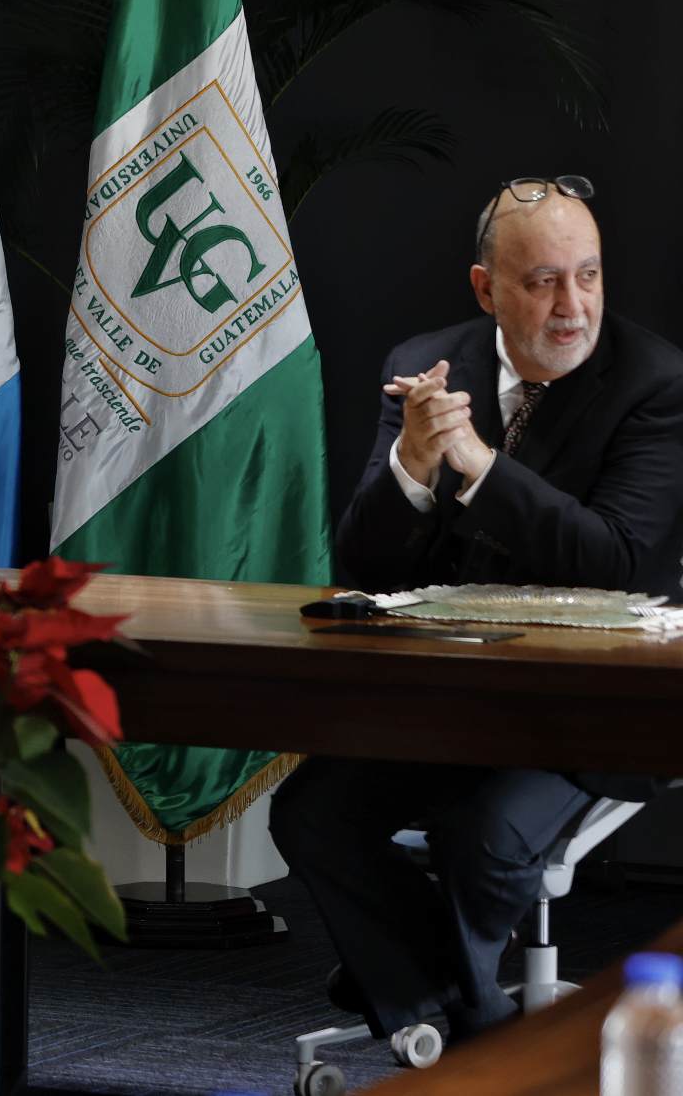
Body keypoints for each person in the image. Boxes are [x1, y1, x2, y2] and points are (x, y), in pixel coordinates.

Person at [274, 175, 683, 1045]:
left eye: (588, 275)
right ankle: (465, 1017)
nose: (573, 306)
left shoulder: (655, 382)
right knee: (311, 814)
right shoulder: (426, 362)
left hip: (598, 711)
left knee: (483, 842)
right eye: (543, 282)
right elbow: (367, 564)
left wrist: (480, 467)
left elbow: (614, 560)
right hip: (452, 702)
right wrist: (413, 469)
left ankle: (425, 1005)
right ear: (485, 288)